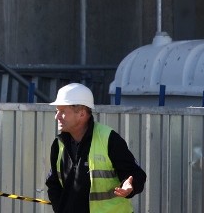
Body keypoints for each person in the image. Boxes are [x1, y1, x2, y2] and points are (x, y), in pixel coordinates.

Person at [45, 83, 146, 213]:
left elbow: (136, 174)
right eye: (57, 111)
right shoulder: (58, 145)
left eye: (62, 111)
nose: (57, 116)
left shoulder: (109, 139)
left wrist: (130, 186)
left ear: (81, 114)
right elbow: (53, 185)